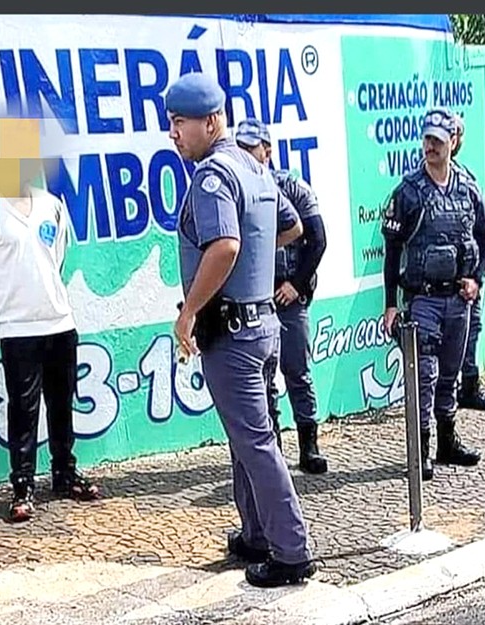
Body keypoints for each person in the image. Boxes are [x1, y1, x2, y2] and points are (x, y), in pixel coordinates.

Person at [167, 72, 315, 587]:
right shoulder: (254, 169)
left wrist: (188, 310)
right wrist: (254, 264)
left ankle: (291, 551)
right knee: (250, 438)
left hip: (231, 333)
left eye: (179, 122)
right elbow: (291, 227)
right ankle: (257, 533)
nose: (173, 133)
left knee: (255, 443)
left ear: (210, 121)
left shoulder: (213, 175)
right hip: (263, 324)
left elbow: (225, 245)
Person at [0, 150, 99, 523]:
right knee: (24, 409)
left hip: (58, 322)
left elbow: (56, 258)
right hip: (17, 330)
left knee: (62, 401)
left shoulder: (51, 206)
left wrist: (42, 298)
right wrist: (9, 306)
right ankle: (23, 485)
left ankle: (64, 474)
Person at [381, 108, 485, 481]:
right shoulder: (408, 192)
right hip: (423, 299)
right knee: (425, 376)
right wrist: (390, 305)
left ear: (452, 143)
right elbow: (392, 249)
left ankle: (448, 441)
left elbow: (484, 232)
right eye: (427, 140)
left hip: (458, 300)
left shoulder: (467, 185)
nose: (430, 147)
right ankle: (422, 450)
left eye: (438, 141)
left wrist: (476, 278)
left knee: (450, 374)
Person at [235, 118, 329, 474]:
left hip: (289, 295)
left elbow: (317, 240)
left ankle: (309, 446)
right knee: (261, 380)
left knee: (297, 371)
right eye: (240, 148)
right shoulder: (234, 190)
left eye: (252, 148)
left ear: (267, 150)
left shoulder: (293, 186)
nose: (246, 155)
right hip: (254, 301)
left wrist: (297, 285)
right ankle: (271, 451)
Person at [451, 115, 485, 411]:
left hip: (469, 275)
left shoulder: (466, 179)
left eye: (456, 133)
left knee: (474, 328)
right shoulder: (418, 183)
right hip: (439, 280)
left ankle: (470, 386)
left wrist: (478, 277)